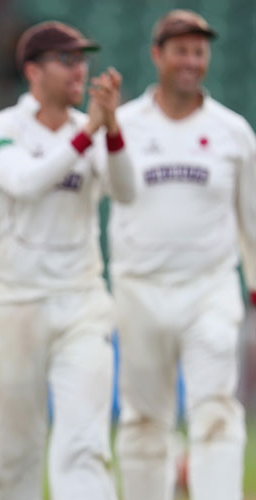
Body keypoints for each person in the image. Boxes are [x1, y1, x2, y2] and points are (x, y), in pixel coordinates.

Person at [0, 21, 136, 500]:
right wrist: (89, 131)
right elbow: (25, 182)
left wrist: (110, 129)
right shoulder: (1, 129)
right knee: (15, 451)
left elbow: (126, 191)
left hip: (81, 299)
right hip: (16, 301)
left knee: (85, 444)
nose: (79, 71)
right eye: (66, 61)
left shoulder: (83, 131)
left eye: (82, 60)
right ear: (33, 70)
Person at [112, 10, 256, 500]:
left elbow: (251, 221)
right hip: (139, 289)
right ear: (157, 55)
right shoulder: (123, 125)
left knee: (216, 408)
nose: (191, 61)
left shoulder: (232, 131)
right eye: (180, 50)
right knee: (144, 418)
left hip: (209, 288)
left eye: (199, 51)